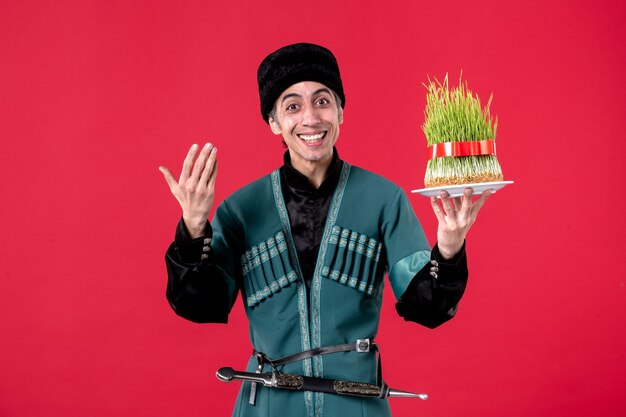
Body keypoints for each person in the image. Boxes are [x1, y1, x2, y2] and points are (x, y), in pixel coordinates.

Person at [159, 43, 490, 417]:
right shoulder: (240, 210)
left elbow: (427, 309)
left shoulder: (385, 199)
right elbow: (199, 305)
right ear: (273, 122)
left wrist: (448, 248)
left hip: (357, 404)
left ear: (341, 112)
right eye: (292, 106)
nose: (311, 119)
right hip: (268, 405)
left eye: (322, 101)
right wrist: (193, 226)